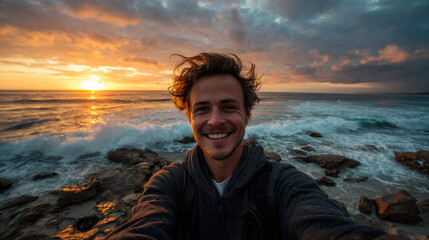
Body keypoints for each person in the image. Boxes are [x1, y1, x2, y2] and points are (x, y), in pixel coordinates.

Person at [105, 53, 407, 240]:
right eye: (202, 109)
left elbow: (320, 221)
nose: (215, 120)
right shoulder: (170, 183)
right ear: (189, 116)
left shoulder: (280, 183)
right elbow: (145, 225)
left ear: (247, 114)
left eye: (228, 107)